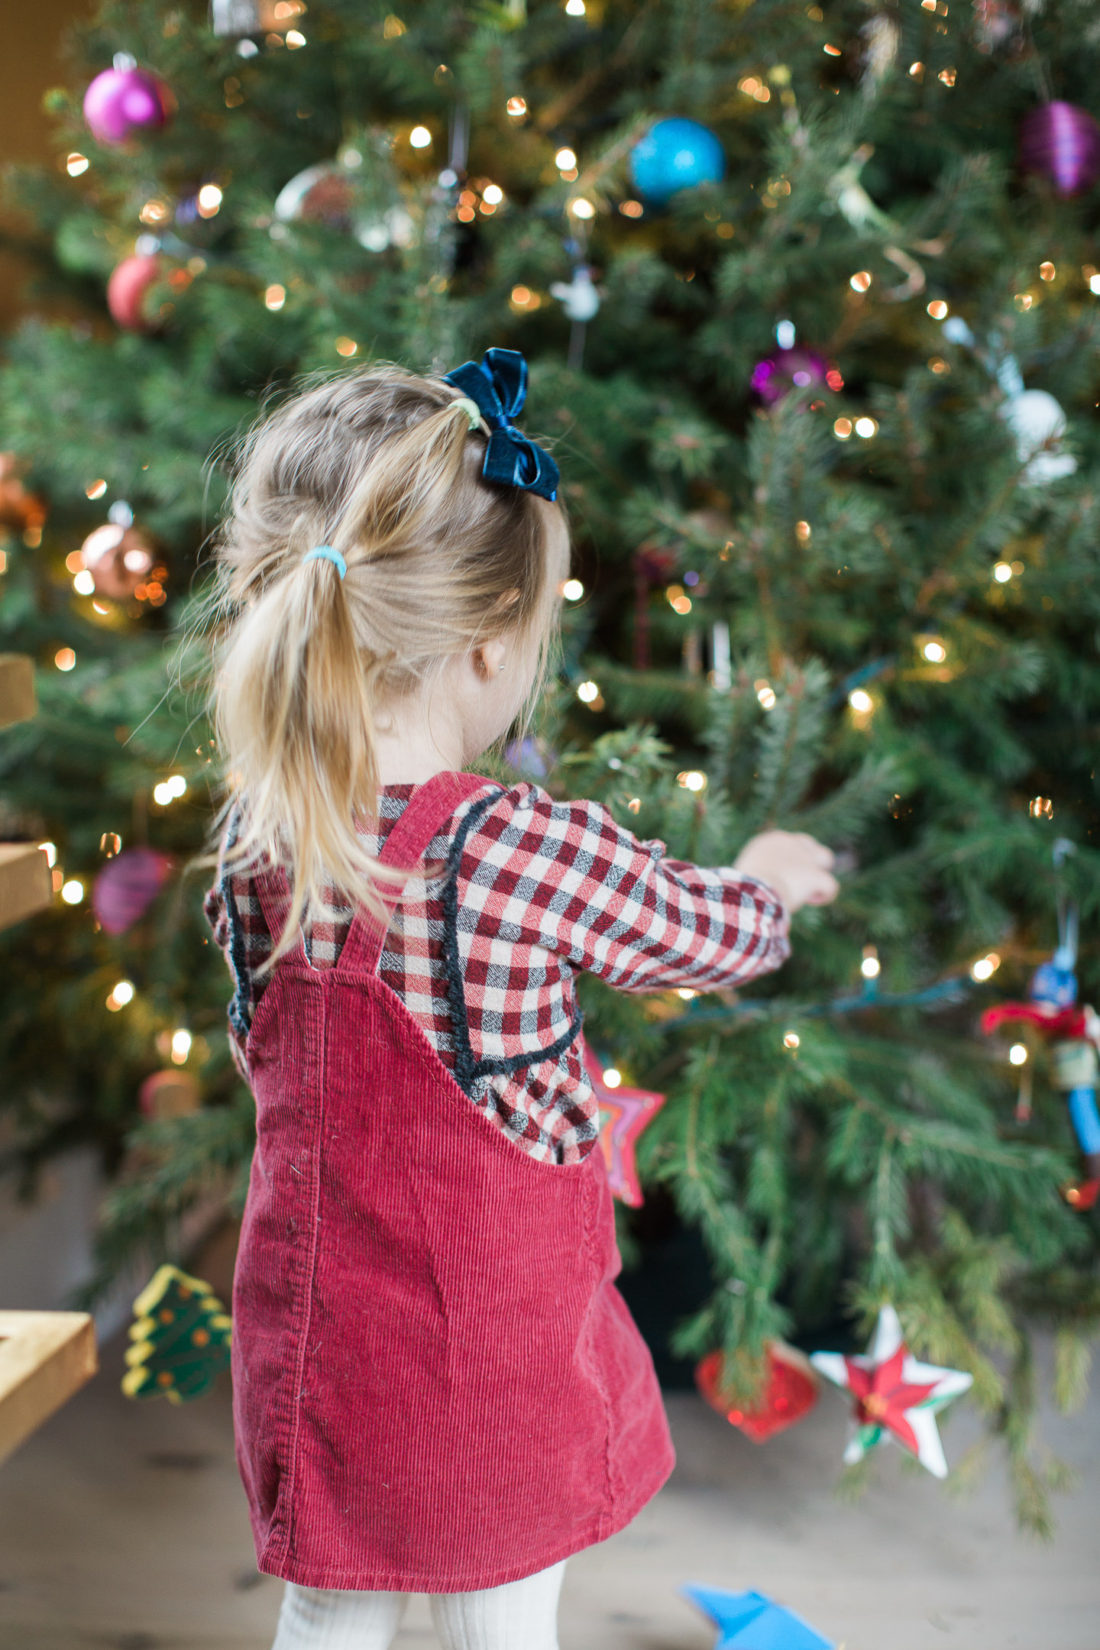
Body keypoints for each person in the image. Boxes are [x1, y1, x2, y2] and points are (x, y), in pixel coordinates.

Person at [198, 348, 839, 1650]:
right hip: (494, 1362)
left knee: (330, 1600)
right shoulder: (521, 845)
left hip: (324, 1346)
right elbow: (695, 936)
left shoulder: (257, 843)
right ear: (488, 649)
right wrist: (766, 883)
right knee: (504, 1612)